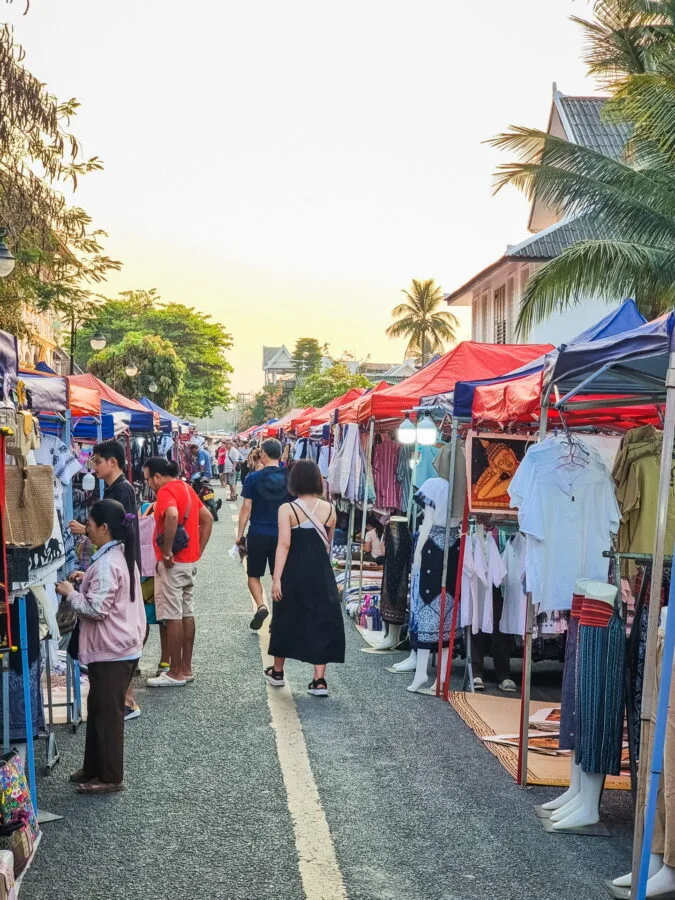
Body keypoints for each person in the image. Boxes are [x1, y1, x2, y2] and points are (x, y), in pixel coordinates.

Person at [56, 499, 146, 794]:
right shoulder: (117, 555)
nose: (87, 531)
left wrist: (71, 593)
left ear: (104, 528)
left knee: (107, 715)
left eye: (90, 526)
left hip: (113, 649)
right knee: (98, 709)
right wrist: (86, 579)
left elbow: (96, 609)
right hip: (118, 645)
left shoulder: (108, 562)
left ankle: (110, 776)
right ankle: (94, 767)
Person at [68, 439, 143, 722]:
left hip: (118, 566)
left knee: (116, 623)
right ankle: (123, 698)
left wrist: (85, 533)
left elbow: (98, 610)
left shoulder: (121, 490)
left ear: (113, 462)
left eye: (98, 461)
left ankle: (126, 699)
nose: (94, 466)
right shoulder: (117, 489)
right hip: (118, 564)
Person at [268, 460, 345, 696]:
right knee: (321, 619)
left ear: (294, 481)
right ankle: (319, 680)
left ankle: (278, 671)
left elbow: (284, 544)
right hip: (321, 573)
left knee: (286, 617)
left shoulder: (287, 509)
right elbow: (327, 544)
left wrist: (276, 579)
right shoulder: (330, 510)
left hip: (293, 571)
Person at [143, 458, 213, 687]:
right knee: (186, 612)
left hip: (173, 564)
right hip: (189, 561)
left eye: (148, 478)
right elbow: (208, 518)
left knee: (172, 615)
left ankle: (174, 673)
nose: (148, 484)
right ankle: (185, 668)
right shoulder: (186, 488)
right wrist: (198, 550)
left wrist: (166, 551)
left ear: (157, 476)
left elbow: (172, 515)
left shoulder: (165, 492)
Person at [237, 438, 289, 631]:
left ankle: (260, 605)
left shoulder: (252, 478)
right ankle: (278, 619)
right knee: (280, 577)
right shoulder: (289, 477)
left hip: (257, 533)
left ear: (264, 454)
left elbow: (246, 508)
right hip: (282, 536)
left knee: (253, 575)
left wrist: (240, 535)